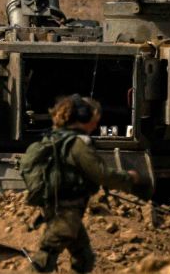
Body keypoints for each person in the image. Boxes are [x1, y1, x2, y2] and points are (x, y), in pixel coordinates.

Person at [27, 94, 141, 273]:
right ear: (82, 118)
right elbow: (101, 174)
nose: (96, 125)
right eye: (94, 120)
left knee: (83, 257)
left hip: (58, 208)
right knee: (46, 257)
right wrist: (129, 177)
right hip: (66, 211)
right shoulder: (77, 145)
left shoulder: (54, 138)